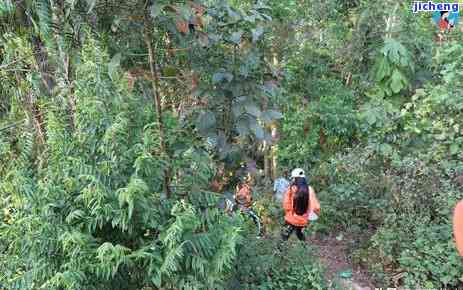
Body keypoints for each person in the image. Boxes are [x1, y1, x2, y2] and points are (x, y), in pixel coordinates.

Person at [281, 168, 320, 242]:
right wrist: (311, 215)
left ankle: (279, 252)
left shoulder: (291, 189)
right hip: (303, 220)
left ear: (295, 178)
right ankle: (305, 250)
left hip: (291, 218)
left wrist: (289, 212)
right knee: (300, 236)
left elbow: (286, 205)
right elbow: (315, 207)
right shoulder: (310, 189)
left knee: (283, 237)